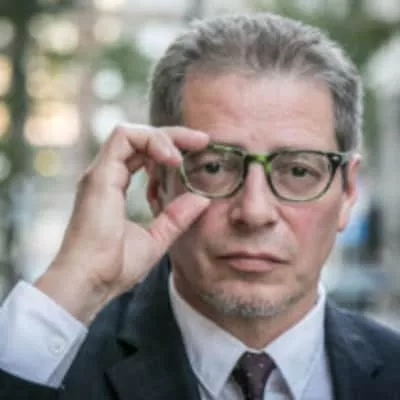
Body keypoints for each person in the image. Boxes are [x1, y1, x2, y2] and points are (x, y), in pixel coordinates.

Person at [0, 12, 399, 400]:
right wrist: (76, 280)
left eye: (298, 171)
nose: (255, 212)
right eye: (214, 167)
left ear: (347, 192)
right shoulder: (47, 369)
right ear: (157, 186)